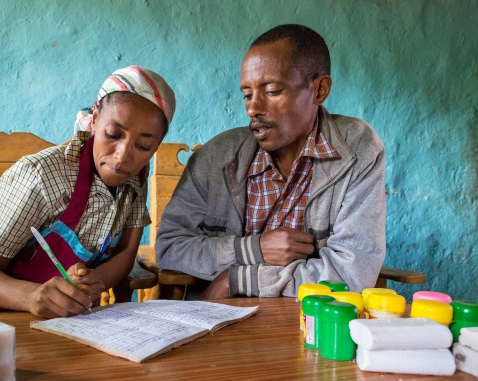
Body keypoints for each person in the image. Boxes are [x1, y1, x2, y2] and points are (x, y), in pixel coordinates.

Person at [155, 24, 385, 299]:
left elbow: (349, 273)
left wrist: (236, 280)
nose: (253, 108)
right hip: (218, 319)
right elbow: (170, 248)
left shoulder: (356, 149)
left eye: (273, 91)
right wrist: (254, 249)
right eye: (247, 94)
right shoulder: (216, 156)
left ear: (320, 90)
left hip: (308, 321)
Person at [0, 66, 176, 318]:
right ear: (95, 118)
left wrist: (96, 280)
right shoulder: (39, 176)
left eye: (144, 145)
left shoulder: (136, 178)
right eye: (113, 134)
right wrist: (32, 297)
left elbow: (127, 253)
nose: (122, 156)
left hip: (63, 322)